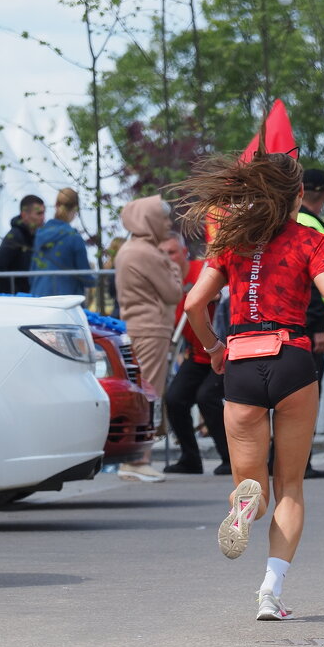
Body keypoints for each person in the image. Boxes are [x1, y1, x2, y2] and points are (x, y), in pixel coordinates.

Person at [175, 149, 324, 621]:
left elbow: (192, 305)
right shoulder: (310, 240)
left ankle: (246, 504)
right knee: (291, 485)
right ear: (299, 195)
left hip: (242, 362)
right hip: (292, 360)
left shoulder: (231, 240)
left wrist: (213, 349)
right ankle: (270, 591)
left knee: (252, 482)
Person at [114, 194, 183, 483]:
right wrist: (176, 269)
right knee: (150, 392)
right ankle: (138, 459)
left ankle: (135, 458)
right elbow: (172, 293)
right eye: (163, 217)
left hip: (137, 326)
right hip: (152, 328)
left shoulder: (129, 249)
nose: (167, 223)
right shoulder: (148, 253)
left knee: (143, 391)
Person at [162, 231, 231, 475]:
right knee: (174, 398)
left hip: (222, 351)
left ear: (183, 253)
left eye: (171, 252)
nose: (167, 258)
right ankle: (190, 458)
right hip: (198, 353)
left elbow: (227, 290)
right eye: (162, 254)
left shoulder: (203, 270)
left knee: (206, 397)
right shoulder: (164, 282)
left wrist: (215, 293)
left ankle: (230, 458)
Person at [295, 169, 324, 479]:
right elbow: (311, 284)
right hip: (308, 326)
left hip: (292, 324)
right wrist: (318, 327)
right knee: (306, 398)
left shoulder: (295, 222)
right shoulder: (311, 228)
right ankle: (300, 463)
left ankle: (285, 462)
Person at [29, 188, 94, 298]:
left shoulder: (39, 235)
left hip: (39, 298)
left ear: (55, 205)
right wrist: (101, 278)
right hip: (66, 303)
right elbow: (86, 277)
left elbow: (32, 272)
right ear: (76, 208)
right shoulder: (74, 238)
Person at [0, 194, 44, 294]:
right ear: (24, 215)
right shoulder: (15, 236)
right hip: (15, 302)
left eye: (43, 213)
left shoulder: (34, 236)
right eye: (39, 213)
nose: (43, 217)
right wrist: (13, 293)